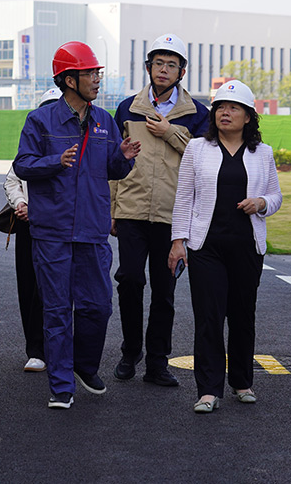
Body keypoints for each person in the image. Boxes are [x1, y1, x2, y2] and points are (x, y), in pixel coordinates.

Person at [13, 41, 140, 409]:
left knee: (97, 307)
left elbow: (112, 170)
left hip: (92, 231)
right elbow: (23, 165)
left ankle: (84, 366)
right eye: (90, 74)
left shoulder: (104, 121)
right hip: (51, 232)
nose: (97, 79)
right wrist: (55, 161)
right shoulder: (40, 121)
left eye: (98, 73)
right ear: (70, 80)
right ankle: (61, 385)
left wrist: (123, 157)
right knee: (56, 311)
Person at [169, 80, 282, 413]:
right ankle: (208, 389)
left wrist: (261, 203)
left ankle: (242, 382)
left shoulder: (263, 153)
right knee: (209, 317)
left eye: (233, 108)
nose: (225, 113)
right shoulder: (196, 148)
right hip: (206, 247)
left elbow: (275, 196)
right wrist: (178, 241)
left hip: (247, 247)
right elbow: (183, 198)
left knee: (243, 316)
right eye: (220, 107)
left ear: (248, 116)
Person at [110, 34, 210, 387]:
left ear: (182, 71)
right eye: (158, 63)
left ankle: (157, 363)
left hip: (173, 216)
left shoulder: (198, 114)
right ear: (148, 67)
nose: (163, 70)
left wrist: (170, 132)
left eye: (171, 64)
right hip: (131, 210)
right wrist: (112, 208)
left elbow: (204, 158)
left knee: (164, 292)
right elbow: (114, 160)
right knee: (129, 280)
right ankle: (130, 352)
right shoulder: (128, 109)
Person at [2, 87, 63, 375]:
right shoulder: (29, 146)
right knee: (30, 288)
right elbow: (11, 180)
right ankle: (36, 350)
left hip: (63, 227)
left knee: (62, 289)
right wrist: (21, 203)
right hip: (29, 226)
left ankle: (61, 347)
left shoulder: (76, 148)